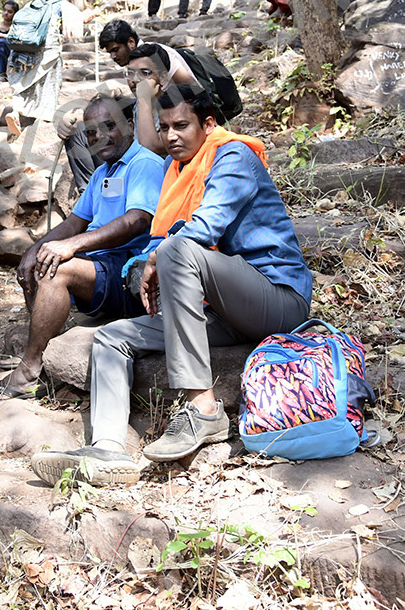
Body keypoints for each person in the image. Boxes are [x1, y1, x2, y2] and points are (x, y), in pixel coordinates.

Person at [30, 85, 312, 486]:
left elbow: (204, 227)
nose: (171, 136)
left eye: (182, 125)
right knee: (111, 338)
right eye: (164, 128)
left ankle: (203, 411)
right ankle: (108, 449)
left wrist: (156, 256)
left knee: (176, 249)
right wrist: (153, 257)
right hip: (223, 308)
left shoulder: (232, 155)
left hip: (276, 298)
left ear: (208, 124)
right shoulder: (176, 170)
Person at [0, 96, 164, 406]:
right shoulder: (104, 171)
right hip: (101, 264)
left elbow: (136, 221)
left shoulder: (143, 163)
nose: (98, 137)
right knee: (42, 260)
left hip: (131, 268)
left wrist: (71, 246)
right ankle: (46, 350)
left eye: (108, 127)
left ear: (129, 126)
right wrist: (36, 248)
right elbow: (76, 221)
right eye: (91, 132)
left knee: (57, 268)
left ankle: (29, 370)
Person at [56, 20, 196, 191]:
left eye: (115, 50)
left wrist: (146, 99)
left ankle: (106, 193)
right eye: (130, 74)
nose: (113, 57)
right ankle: (92, 194)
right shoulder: (138, 102)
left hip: (155, 175)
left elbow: (151, 148)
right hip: (136, 155)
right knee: (80, 132)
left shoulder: (159, 62)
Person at [6, 0, 64, 133]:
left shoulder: (31, 5)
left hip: (23, 50)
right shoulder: (61, 6)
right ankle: (45, 117)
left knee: (24, 82)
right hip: (48, 50)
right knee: (49, 82)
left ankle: (16, 111)